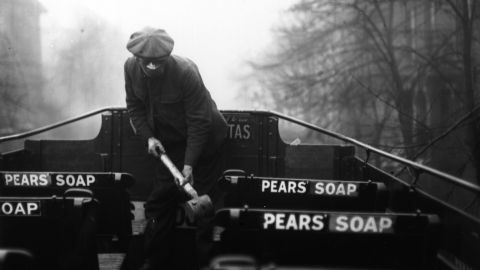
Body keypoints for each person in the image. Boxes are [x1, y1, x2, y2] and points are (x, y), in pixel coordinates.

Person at [123, 27, 228, 269]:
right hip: (168, 144)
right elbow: (134, 107)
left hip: (206, 141)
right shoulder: (129, 68)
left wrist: (190, 164)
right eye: (146, 63)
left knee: (203, 206)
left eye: (158, 62)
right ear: (137, 58)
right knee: (159, 203)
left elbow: (199, 122)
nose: (152, 68)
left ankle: (204, 263)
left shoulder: (185, 72)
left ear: (167, 57)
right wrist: (149, 137)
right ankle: (156, 262)